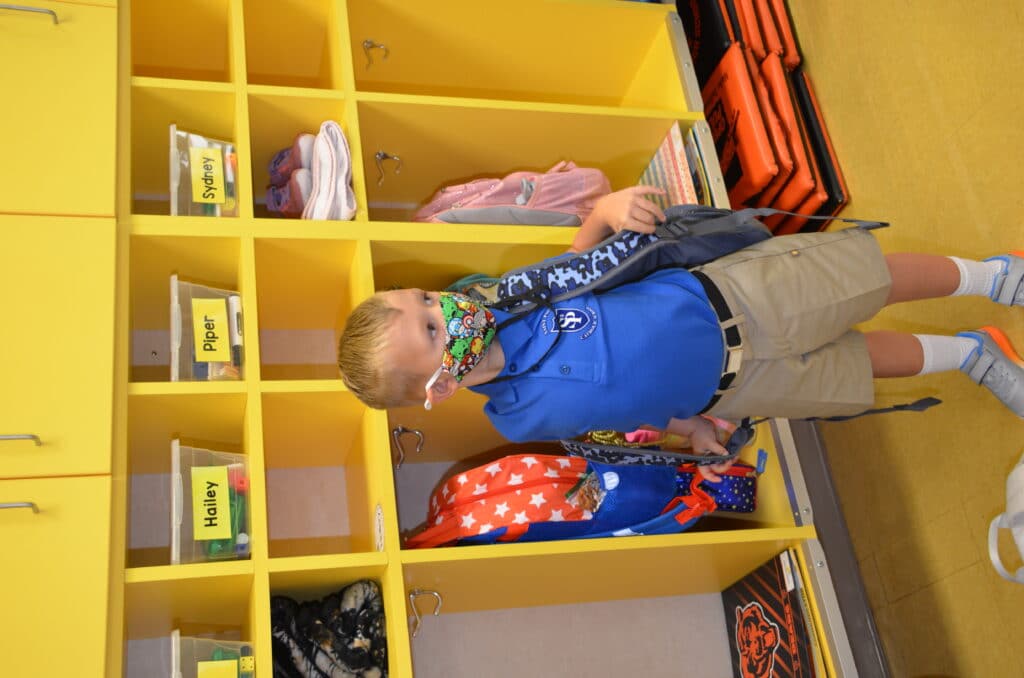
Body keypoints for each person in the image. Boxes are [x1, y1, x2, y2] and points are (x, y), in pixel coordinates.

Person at [338, 187, 1024, 480]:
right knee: (858, 369)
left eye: (427, 297)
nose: (447, 307)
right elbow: (625, 412)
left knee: (869, 277)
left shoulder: (515, 300)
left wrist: (604, 210)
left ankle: (990, 278)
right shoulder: (522, 418)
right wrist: (692, 429)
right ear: (439, 387)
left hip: (737, 297)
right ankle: (970, 354)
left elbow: (582, 264)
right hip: (738, 385)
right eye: (432, 326)